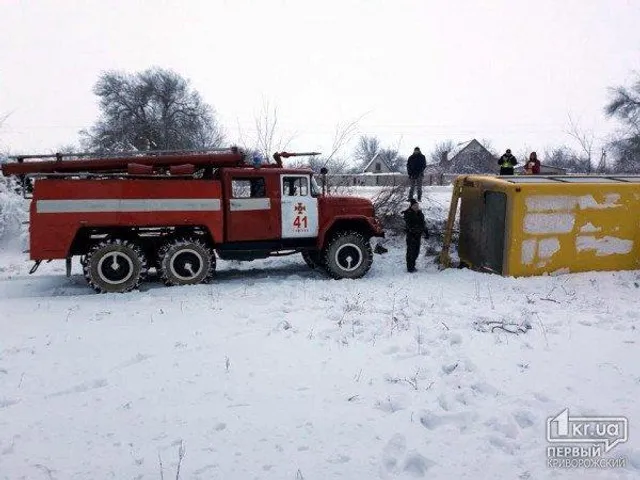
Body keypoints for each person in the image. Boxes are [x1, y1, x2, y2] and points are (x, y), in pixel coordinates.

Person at [403, 199, 427, 273]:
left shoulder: (420, 213)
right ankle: (410, 267)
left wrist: (426, 232)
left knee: (416, 251)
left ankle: (413, 265)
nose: (416, 207)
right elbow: (409, 225)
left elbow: (423, 224)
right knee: (410, 252)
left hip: (418, 236)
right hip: (411, 236)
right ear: (411, 206)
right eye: (415, 206)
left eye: (417, 206)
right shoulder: (408, 213)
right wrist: (415, 230)